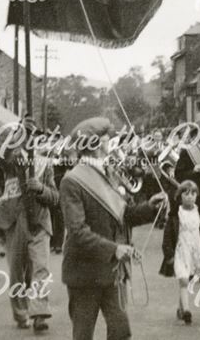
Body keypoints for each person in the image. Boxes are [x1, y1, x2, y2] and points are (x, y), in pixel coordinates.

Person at [60, 116, 168, 340]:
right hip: (85, 273)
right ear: (95, 144)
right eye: (106, 138)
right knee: (83, 334)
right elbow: (77, 231)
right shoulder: (72, 180)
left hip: (112, 271)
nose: (110, 142)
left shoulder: (109, 172)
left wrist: (150, 207)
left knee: (120, 331)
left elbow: (124, 214)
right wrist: (114, 249)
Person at [0, 141, 58, 333]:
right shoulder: (10, 162)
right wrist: (11, 143)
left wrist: (40, 188)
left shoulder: (45, 164)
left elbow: (55, 197)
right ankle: (21, 313)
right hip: (15, 223)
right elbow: (1, 157)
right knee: (17, 273)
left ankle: (39, 315)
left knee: (41, 270)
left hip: (39, 223)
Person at [160, 180, 200, 324]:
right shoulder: (175, 214)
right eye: (186, 194)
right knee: (183, 279)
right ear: (180, 196)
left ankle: (180, 308)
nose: (190, 197)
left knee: (187, 280)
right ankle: (186, 310)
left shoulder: (199, 212)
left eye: (193, 194)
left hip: (194, 250)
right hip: (180, 250)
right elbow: (167, 236)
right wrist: (169, 255)